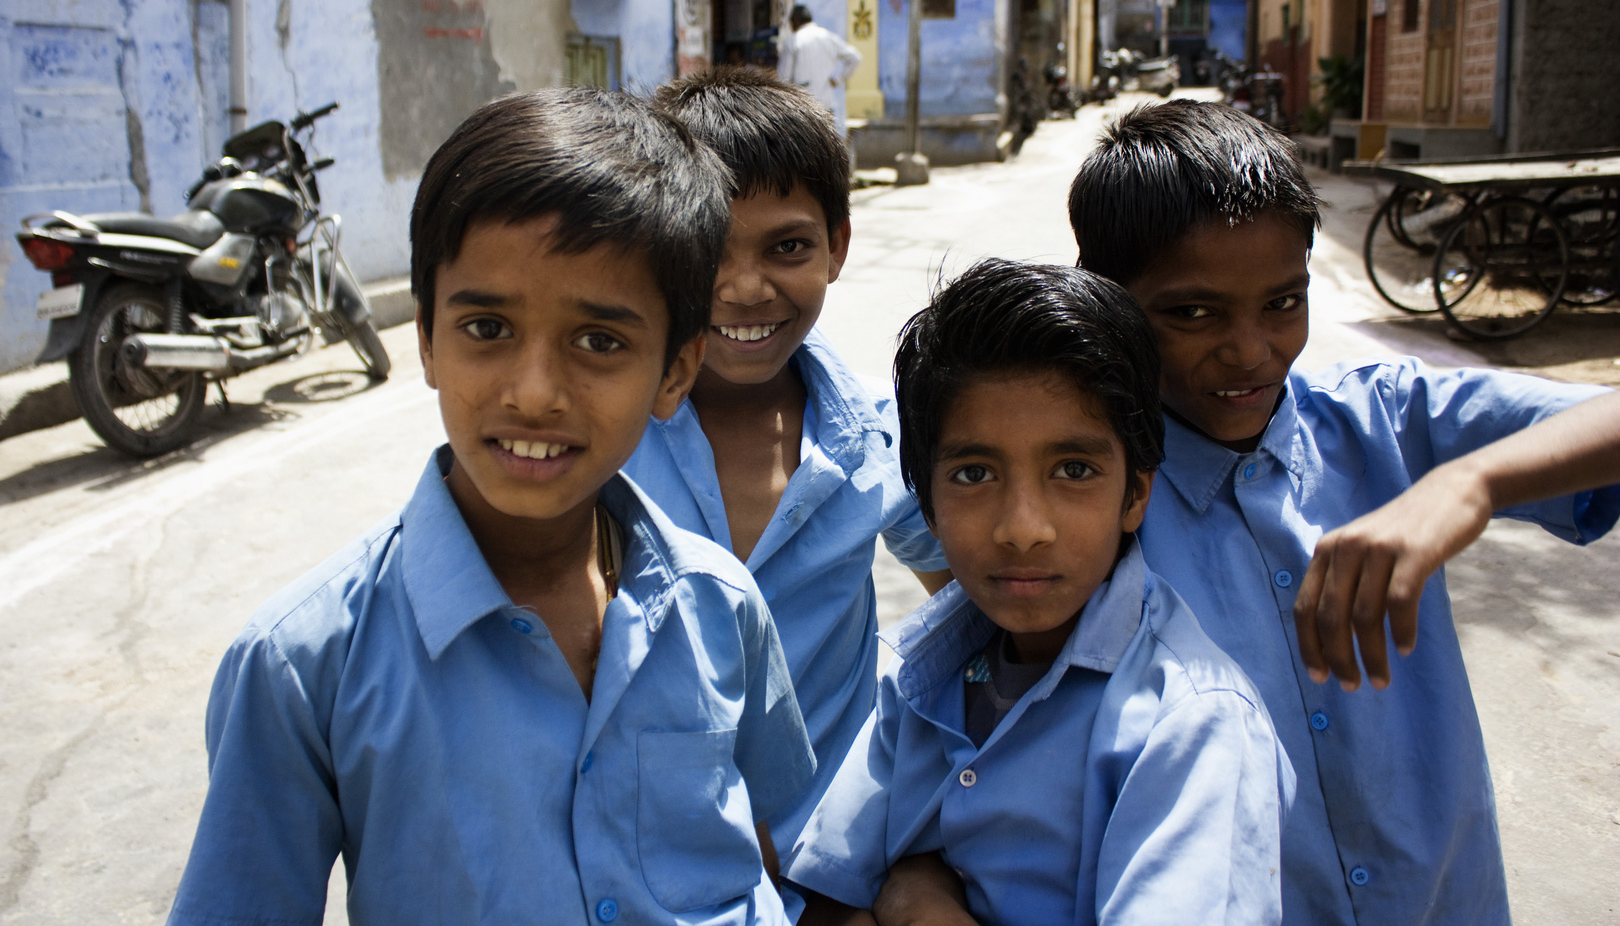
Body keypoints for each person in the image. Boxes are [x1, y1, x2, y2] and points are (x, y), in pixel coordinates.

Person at [871, 99, 1620, 925]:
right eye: (1192, 313)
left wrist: (1466, 485)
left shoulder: (1385, 420)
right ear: (1106, 300)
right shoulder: (1084, 499)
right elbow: (966, 721)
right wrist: (917, 872)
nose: (1251, 349)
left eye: (1283, 302)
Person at [166, 89, 816, 926]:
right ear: (426, 340)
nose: (535, 394)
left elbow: (766, 841)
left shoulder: (720, 605)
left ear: (676, 374)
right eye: (486, 328)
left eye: (599, 342)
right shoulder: (305, 666)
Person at [785, 259, 1295, 926]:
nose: (1023, 528)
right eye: (974, 473)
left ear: (1136, 493)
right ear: (928, 504)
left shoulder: (1191, 727)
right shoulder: (926, 673)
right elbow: (826, 898)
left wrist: (914, 898)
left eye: (1074, 469)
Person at [624, 66, 951, 891]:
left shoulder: (884, 435)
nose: (744, 287)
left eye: (789, 247)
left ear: (838, 246)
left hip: (831, 859)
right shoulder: (605, 437)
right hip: (647, 861)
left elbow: (973, 608)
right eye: (707, 250)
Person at [779, 4, 862, 135]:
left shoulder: (793, 41)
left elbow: (783, 79)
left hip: (801, 110)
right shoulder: (828, 37)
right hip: (825, 108)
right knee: (826, 150)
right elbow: (855, 57)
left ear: (796, 20)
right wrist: (838, 80)